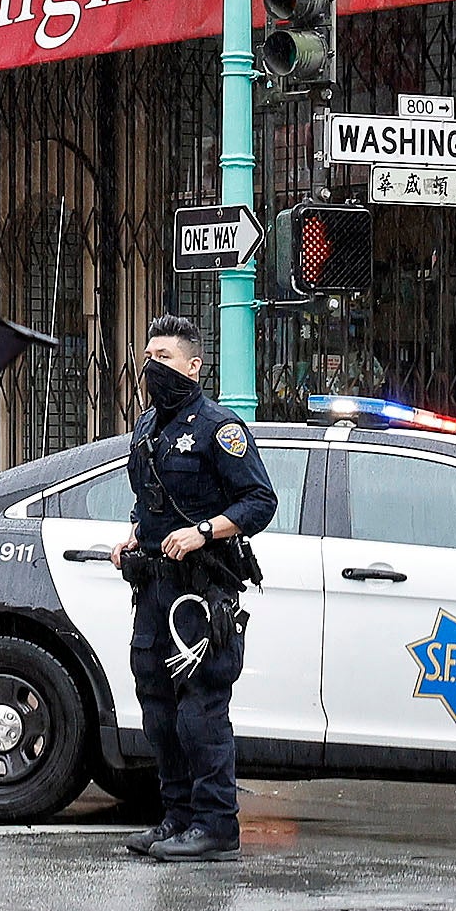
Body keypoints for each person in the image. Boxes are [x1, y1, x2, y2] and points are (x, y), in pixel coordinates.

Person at [112, 312, 274, 863]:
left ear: (194, 364)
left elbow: (259, 503)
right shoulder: (146, 426)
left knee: (199, 711)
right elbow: (150, 501)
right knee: (156, 706)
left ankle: (215, 825)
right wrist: (134, 535)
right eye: (149, 355)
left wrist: (205, 531)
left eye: (164, 357)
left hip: (202, 593)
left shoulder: (219, 428)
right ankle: (177, 817)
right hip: (154, 586)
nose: (152, 366)